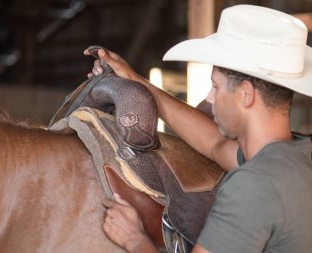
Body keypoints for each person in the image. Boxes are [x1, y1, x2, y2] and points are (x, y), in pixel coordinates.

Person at [84, 4, 312, 253]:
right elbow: (214, 144)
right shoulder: (298, 155)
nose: (210, 98)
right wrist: (136, 81)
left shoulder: (254, 186)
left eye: (216, 86)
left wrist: (134, 239)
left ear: (246, 94)